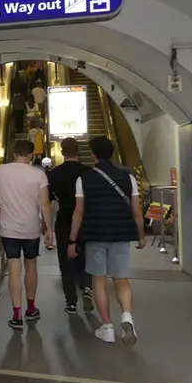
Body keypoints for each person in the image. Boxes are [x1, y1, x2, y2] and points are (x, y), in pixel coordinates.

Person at [68, 137, 146, 345]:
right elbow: (136, 211)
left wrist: (72, 239)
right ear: (112, 153)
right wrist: (141, 236)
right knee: (121, 280)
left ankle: (107, 327)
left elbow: (79, 212)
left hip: (95, 234)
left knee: (99, 281)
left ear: (93, 154)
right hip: (120, 234)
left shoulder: (83, 179)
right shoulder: (127, 178)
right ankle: (127, 316)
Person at [0, 140, 52, 330]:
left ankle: (16, 315)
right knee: (31, 265)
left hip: (9, 229)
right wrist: (49, 229)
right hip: (31, 228)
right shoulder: (38, 174)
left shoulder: (0, 171)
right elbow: (44, 203)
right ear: (31, 155)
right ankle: (31, 308)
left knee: (14, 268)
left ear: (13, 152)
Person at [48, 138, 93, 315]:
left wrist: (47, 226)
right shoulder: (88, 172)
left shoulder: (54, 174)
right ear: (79, 151)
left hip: (64, 219)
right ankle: (87, 287)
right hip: (86, 220)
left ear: (61, 152)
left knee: (65, 261)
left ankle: (71, 302)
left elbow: (49, 201)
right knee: (86, 256)